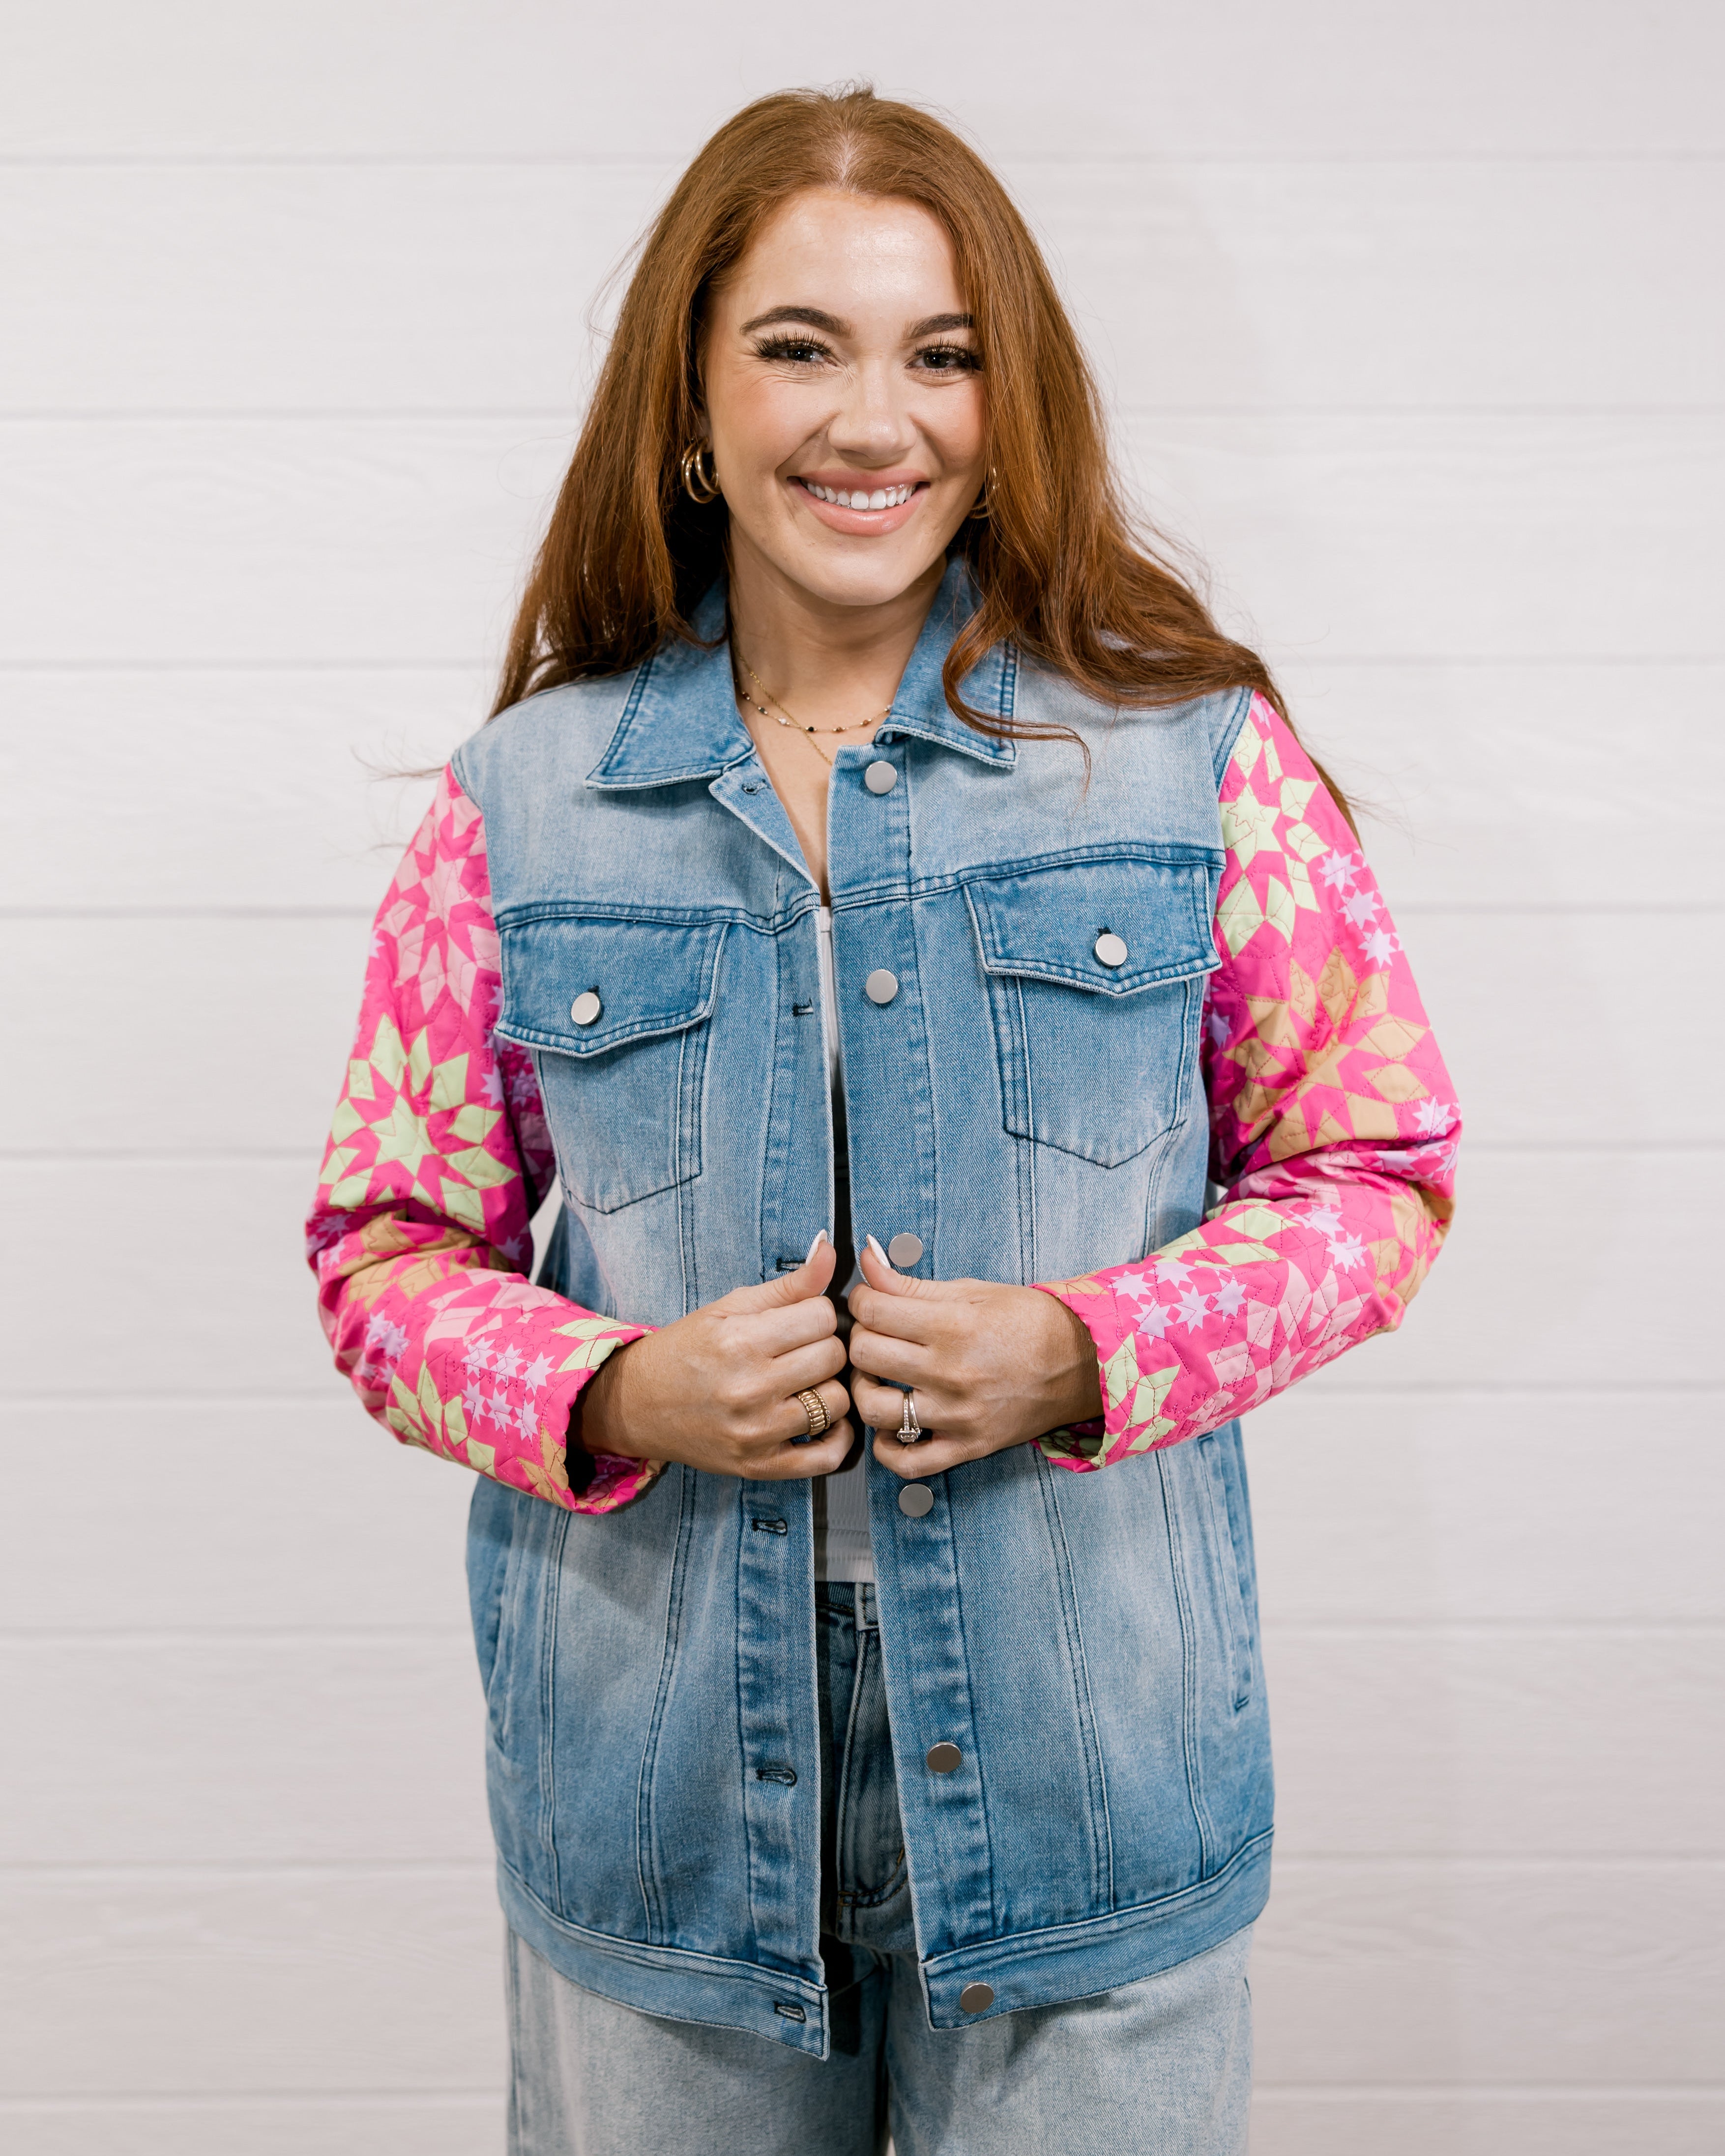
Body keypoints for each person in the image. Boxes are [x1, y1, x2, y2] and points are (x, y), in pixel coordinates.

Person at [307, 85, 1459, 2156]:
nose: (874, 419)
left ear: (1007, 406)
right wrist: (617, 1389)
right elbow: (384, 1254)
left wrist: (1091, 1347)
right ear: (691, 401)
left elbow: (1375, 1171)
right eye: (798, 346)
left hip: (1092, 1779)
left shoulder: (1193, 761)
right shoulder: (522, 802)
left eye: (940, 354)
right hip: (660, 1803)